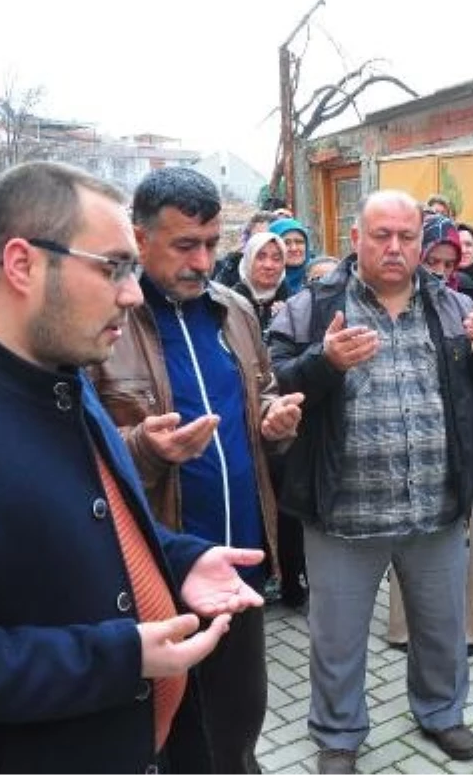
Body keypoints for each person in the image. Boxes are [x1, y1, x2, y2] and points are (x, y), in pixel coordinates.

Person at [0, 160, 265, 773]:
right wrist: (119, 658)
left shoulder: (62, 374)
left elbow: (88, 523)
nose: (133, 293)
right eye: (114, 267)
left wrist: (179, 558)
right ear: (22, 264)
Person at [268, 189, 473, 774]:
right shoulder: (310, 308)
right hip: (343, 513)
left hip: (435, 505)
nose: (395, 247)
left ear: (423, 244)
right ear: (356, 240)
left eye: (407, 236)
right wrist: (324, 362)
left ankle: (441, 713)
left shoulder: (453, 306)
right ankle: (338, 733)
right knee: (337, 639)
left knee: (442, 628)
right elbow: (275, 386)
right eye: (382, 235)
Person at [90, 166, 304, 774]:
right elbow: (77, 458)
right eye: (186, 245)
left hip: (241, 563)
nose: (204, 260)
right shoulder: (106, 320)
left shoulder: (234, 311)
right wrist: (149, 450)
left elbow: (260, 394)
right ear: (138, 237)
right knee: (172, 732)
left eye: (213, 243)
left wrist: (273, 420)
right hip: (157, 573)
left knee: (238, 720)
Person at [386, 213, 473, 655]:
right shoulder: (392, 300)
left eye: (450, 262)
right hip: (403, 444)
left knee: (458, 547)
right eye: (435, 259)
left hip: (453, 445)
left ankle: (465, 629)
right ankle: (404, 629)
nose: (442, 271)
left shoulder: (461, 305)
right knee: (404, 546)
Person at [232, 231, 291, 332]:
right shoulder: (231, 302)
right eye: (260, 257)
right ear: (248, 261)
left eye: (276, 259)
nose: (268, 265)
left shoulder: (292, 302)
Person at [269, 217, 313, 296]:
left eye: (299, 242)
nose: (294, 248)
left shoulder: (319, 275)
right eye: (286, 243)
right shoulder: (263, 282)